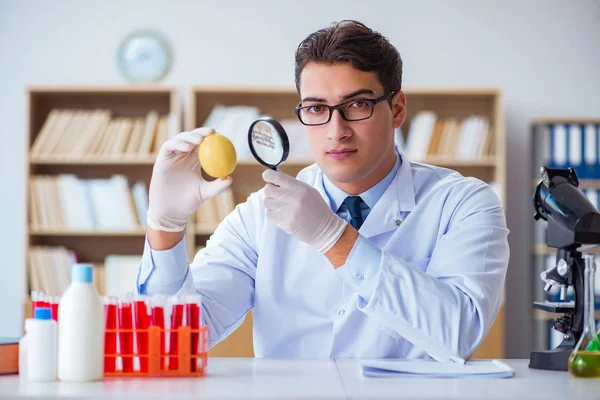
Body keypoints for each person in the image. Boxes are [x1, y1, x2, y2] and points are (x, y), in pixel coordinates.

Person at [137, 20, 510, 361]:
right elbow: (172, 342)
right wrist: (165, 228)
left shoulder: (464, 203)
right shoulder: (258, 217)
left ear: (397, 109)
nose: (336, 130)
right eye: (317, 109)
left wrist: (334, 239)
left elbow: (459, 334)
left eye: (357, 104)